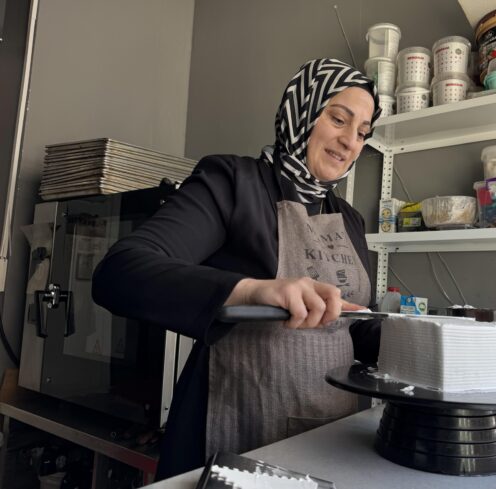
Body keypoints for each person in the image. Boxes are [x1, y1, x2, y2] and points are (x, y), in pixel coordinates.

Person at [92, 58, 383, 480]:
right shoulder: (232, 182)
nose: (350, 141)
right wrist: (251, 291)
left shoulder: (349, 219)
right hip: (235, 430)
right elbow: (120, 272)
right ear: (301, 112)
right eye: (339, 119)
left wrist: (433, 342)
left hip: (328, 439)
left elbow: (352, 325)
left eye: (362, 132)